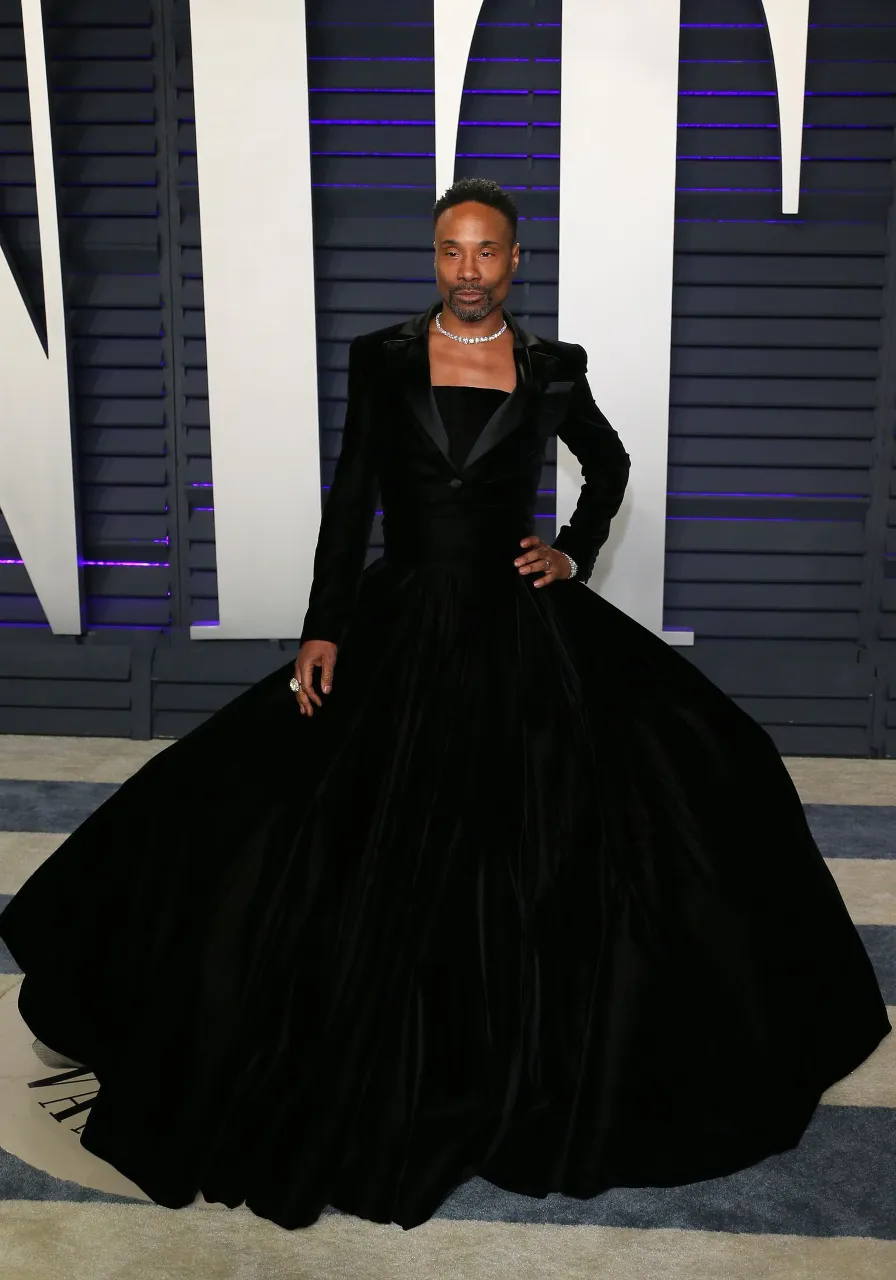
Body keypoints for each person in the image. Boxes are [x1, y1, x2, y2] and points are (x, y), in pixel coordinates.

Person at [0, 178, 890, 1233]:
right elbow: (349, 498)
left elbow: (605, 468)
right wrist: (324, 623)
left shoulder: (553, 370)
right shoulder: (380, 359)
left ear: (514, 262)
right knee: (283, 812)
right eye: (448, 250)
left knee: (669, 777)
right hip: (403, 618)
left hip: (517, 628)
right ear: (436, 258)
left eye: (485, 252)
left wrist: (572, 550)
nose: (466, 269)